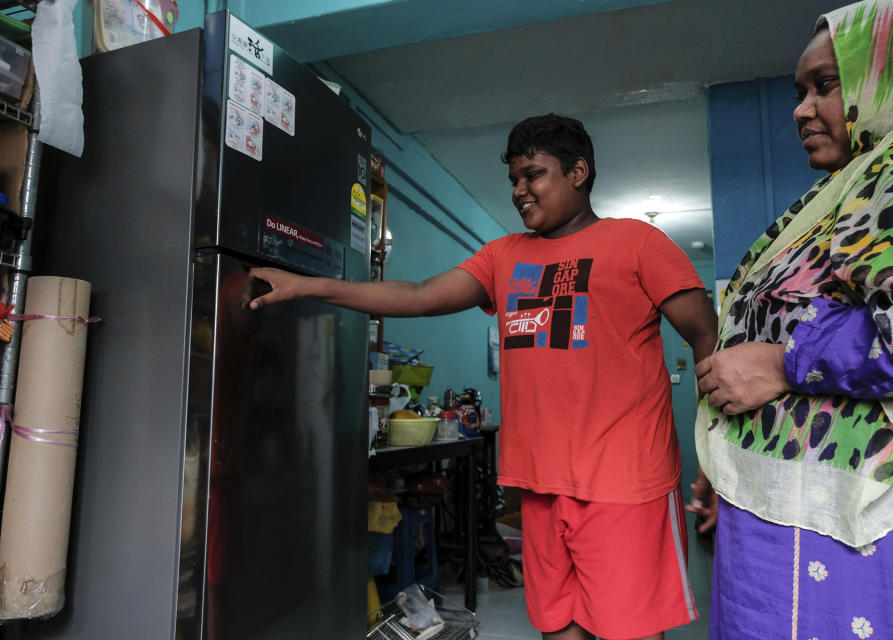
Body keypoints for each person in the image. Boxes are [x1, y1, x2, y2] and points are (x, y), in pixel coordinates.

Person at [249, 114, 717, 640]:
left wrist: (714, 456)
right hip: (538, 482)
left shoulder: (637, 243)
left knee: (626, 632)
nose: (520, 191)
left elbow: (705, 335)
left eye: (533, 174)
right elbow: (419, 296)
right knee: (557, 628)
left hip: (623, 482)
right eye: (514, 179)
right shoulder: (504, 256)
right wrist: (307, 286)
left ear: (578, 171)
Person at [691, 1, 893, 637]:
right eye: (800, 90)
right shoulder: (842, 190)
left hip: (873, 522)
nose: (802, 109)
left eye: (826, 85)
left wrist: (788, 364)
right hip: (774, 510)